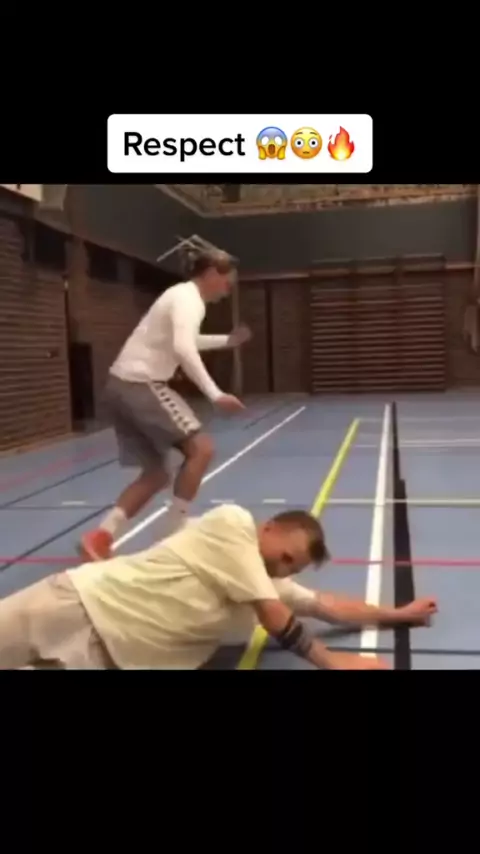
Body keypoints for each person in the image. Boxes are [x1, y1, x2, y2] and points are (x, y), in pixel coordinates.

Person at [0, 504, 437, 670]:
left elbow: (327, 606)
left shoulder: (266, 583)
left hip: (110, 657)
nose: (284, 569)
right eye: (287, 556)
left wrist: (399, 614)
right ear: (268, 528)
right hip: (74, 604)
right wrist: (332, 663)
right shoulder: (232, 524)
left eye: (294, 568)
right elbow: (276, 617)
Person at [79, 248, 251, 562]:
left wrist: (227, 341)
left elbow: (183, 340)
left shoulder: (179, 296)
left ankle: (100, 536)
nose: (228, 290)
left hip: (119, 387)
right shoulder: (189, 299)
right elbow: (183, 348)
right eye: (228, 282)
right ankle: (175, 528)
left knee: (156, 474)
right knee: (202, 449)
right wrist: (214, 393)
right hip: (141, 385)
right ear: (211, 273)